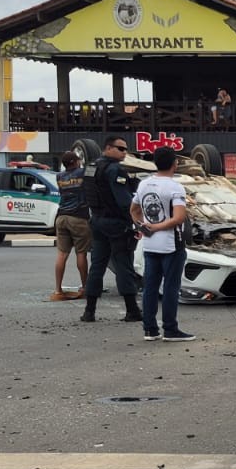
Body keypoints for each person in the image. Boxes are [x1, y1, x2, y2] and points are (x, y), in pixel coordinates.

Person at [131, 145, 195, 343]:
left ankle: (150, 330)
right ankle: (170, 329)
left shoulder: (144, 184)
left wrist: (143, 227)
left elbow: (134, 210)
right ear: (175, 163)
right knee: (170, 287)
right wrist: (158, 227)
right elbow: (179, 218)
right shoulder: (175, 187)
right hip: (171, 244)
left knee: (150, 287)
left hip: (150, 244)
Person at [82, 135, 142, 324]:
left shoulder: (91, 167)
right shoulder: (115, 169)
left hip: (97, 221)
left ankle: (89, 311)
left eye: (126, 149)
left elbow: (87, 193)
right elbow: (124, 202)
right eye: (121, 148)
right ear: (108, 148)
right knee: (124, 266)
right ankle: (132, 310)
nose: (125, 152)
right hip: (116, 224)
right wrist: (135, 221)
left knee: (97, 266)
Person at [51, 149, 91, 301]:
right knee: (81, 253)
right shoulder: (82, 173)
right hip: (78, 217)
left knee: (62, 254)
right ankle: (85, 287)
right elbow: (93, 172)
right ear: (75, 162)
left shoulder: (59, 176)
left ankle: (58, 290)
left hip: (61, 217)